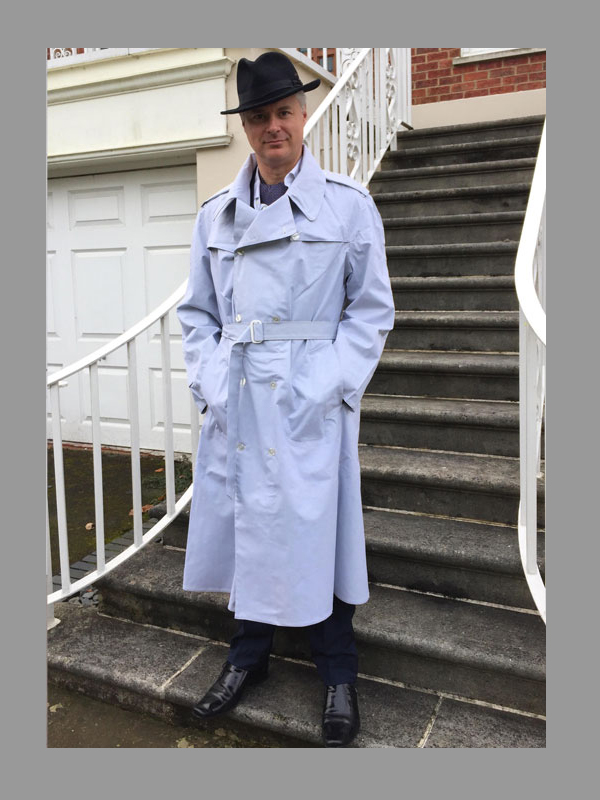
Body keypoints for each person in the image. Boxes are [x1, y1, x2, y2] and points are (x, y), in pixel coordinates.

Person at [177, 51, 395, 747]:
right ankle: (248, 658)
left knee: (319, 533)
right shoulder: (215, 216)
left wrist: (327, 383)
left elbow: (371, 311)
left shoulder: (348, 206)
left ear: (303, 117)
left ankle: (338, 674)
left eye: (283, 112)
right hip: (241, 398)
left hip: (308, 400)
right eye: (258, 116)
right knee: (251, 533)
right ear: (245, 127)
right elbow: (197, 315)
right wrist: (213, 383)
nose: (272, 126)